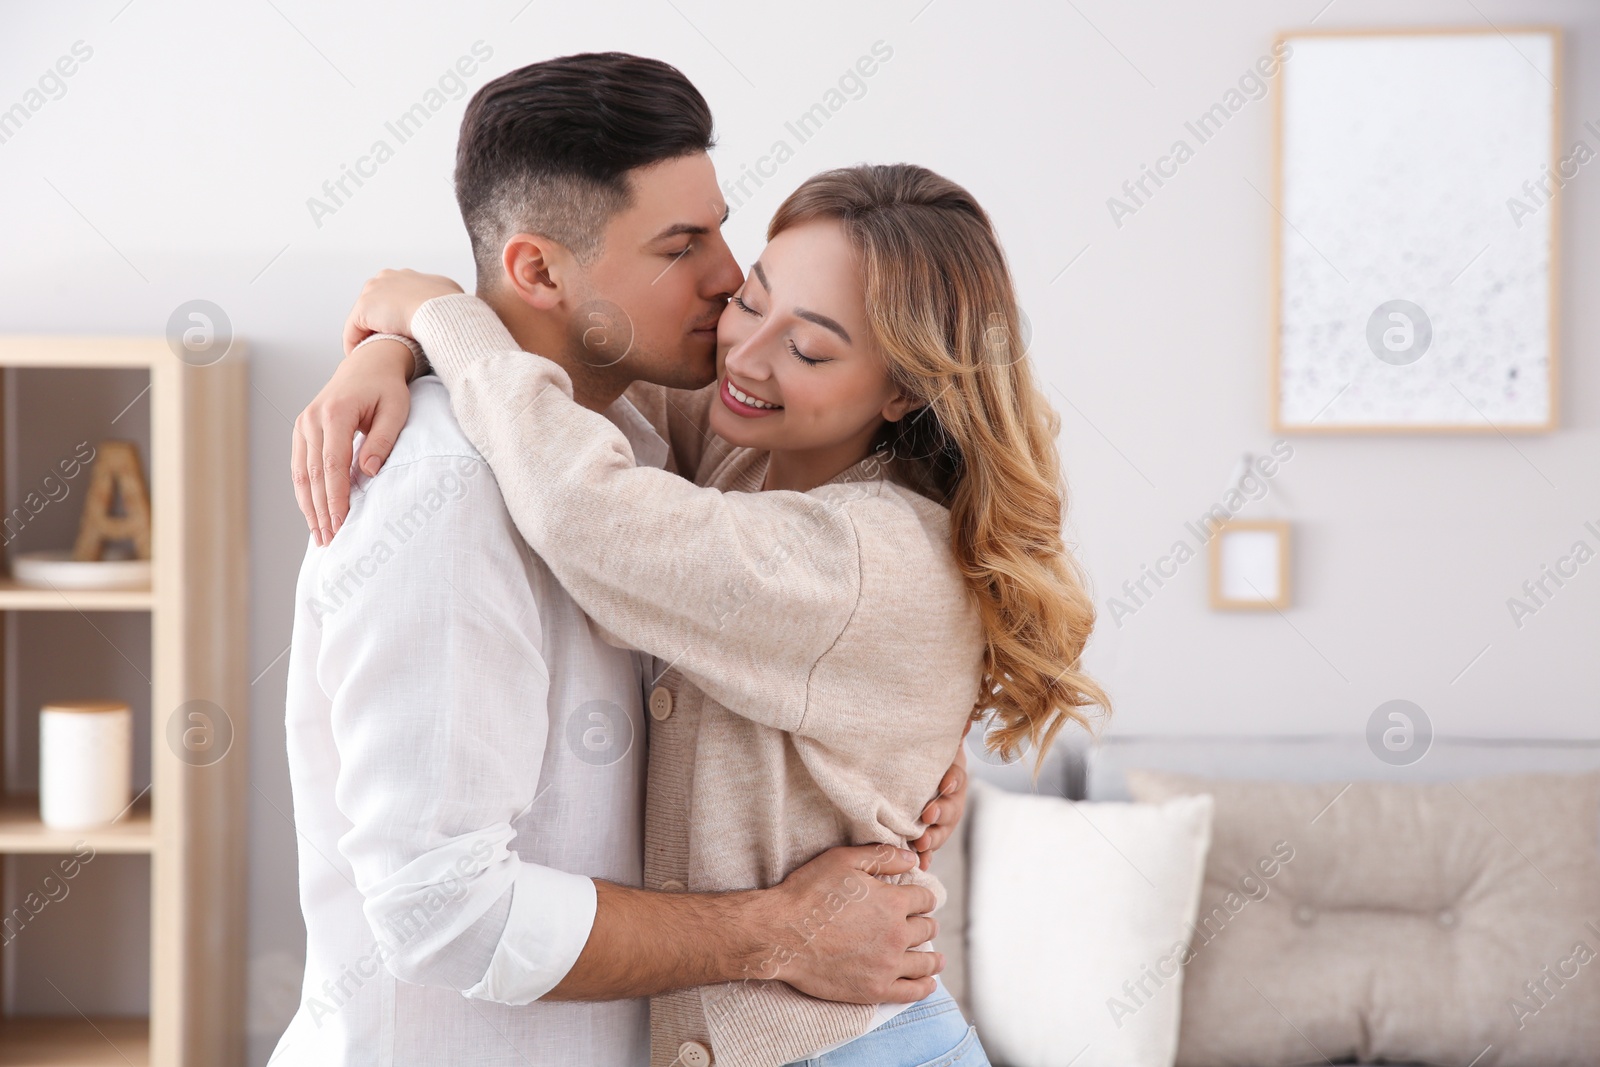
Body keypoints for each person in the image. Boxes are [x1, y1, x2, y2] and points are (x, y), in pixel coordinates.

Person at [304, 162, 1108, 1066]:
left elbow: (586, 512)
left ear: (904, 392)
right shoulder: (749, 444)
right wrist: (396, 349)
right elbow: (557, 369)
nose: (747, 356)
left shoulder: (863, 559)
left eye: (809, 349)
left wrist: (436, 316)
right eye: (751, 301)